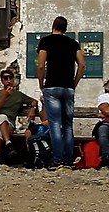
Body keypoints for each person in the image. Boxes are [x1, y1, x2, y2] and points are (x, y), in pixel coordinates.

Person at [34, 16, 84, 170]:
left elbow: (41, 65)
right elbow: (82, 65)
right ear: (66, 28)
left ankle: (58, 159)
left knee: (55, 124)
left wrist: (41, 83)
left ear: (53, 26)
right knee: (68, 125)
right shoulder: (73, 43)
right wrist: (74, 83)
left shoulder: (46, 41)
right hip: (68, 88)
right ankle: (69, 160)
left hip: (52, 86)